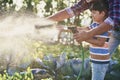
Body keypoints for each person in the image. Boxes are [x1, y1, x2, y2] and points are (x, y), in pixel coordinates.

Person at [47, 0, 120, 57]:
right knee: (100, 61)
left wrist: (88, 35)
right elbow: (72, 10)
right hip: (114, 31)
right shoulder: (89, 1)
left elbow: (113, 20)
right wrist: (45, 21)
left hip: (112, 27)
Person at [75, 1, 110, 80]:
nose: (92, 15)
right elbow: (85, 29)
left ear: (102, 13)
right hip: (95, 60)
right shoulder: (95, 24)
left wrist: (84, 38)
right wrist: (68, 28)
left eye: (94, 13)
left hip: (100, 61)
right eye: (91, 12)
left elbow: (100, 42)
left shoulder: (104, 26)